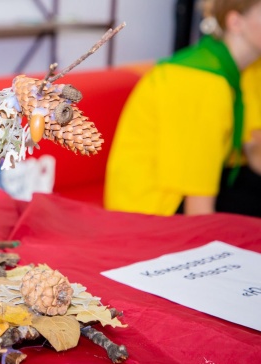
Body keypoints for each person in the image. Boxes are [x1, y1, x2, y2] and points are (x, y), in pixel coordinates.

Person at [105, 0, 261, 217]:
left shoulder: (249, 69)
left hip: (211, 177)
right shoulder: (201, 81)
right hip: (155, 206)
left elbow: (254, 149)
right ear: (235, 22)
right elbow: (197, 208)